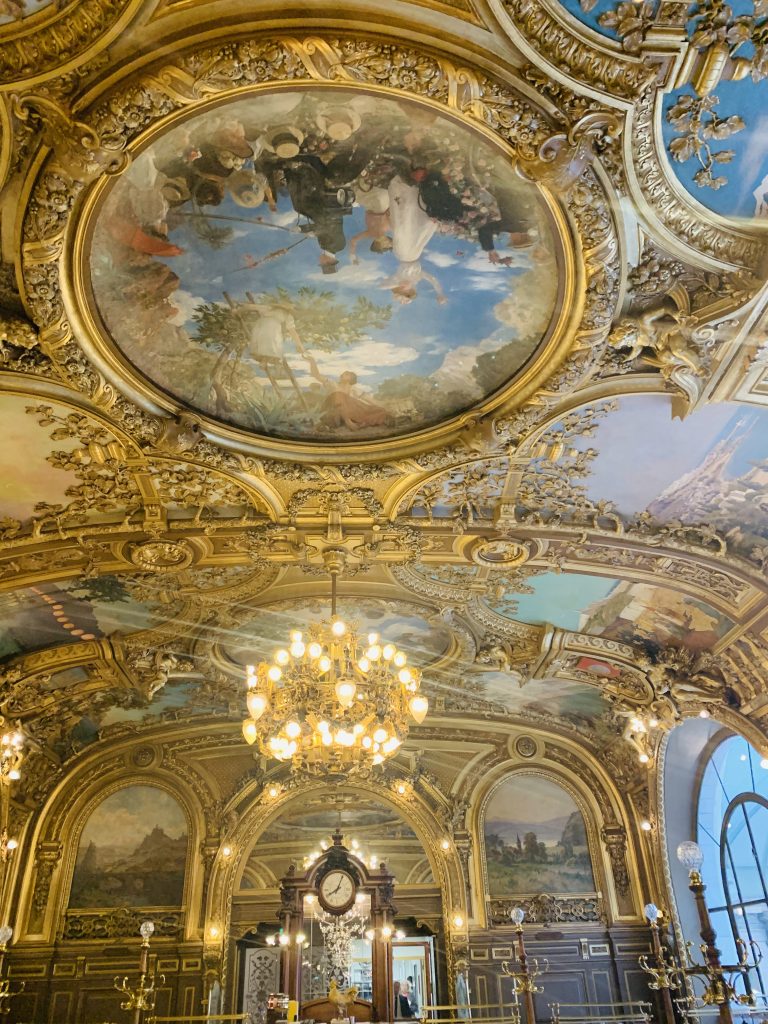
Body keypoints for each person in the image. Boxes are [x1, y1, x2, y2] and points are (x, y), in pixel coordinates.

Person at [307, 357, 393, 432]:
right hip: (334, 413)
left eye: (347, 374)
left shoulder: (354, 390)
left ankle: (356, 421)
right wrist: (312, 361)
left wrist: (383, 406)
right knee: (338, 394)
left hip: (349, 413)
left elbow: (369, 400)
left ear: (351, 379)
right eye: (344, 374)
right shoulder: (333, 384)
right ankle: (348, 421)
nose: (342, 375)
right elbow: (316, 375)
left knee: (377, 410)